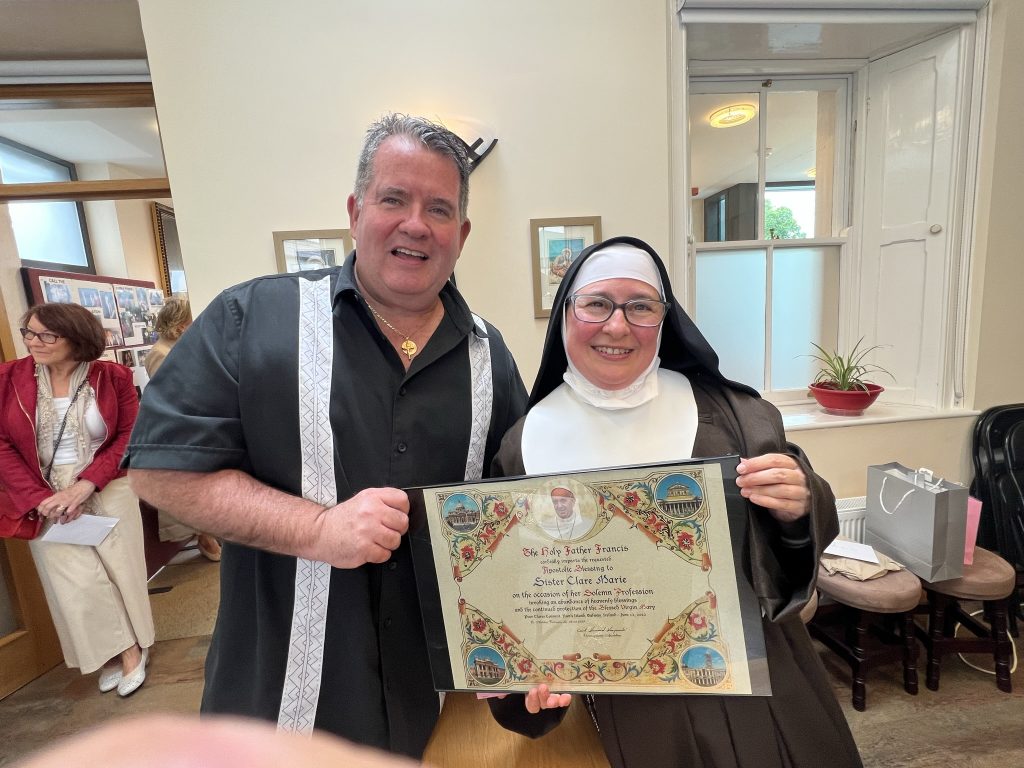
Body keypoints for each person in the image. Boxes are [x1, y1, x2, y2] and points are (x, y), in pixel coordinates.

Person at [124, 113, 528, 758]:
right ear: (356, 210)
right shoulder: (251, 319)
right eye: (393, 199)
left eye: (439, 209)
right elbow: (159, 471)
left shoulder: (490, 354)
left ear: (463, 233)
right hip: (278, 695)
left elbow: (516, 512)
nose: (416, 224)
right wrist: (316, 529)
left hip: (435, 700)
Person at [487, 236, 863, 768]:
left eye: (641, 307)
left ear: (665, 320)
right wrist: (525, 677)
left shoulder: (736, 417)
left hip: (751, 687)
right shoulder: (521, 446)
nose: (618, 326)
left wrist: (798, 506)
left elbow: (793, 547)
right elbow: (514, 595)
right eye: (597, 304)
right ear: (566, 313)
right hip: (617, 705)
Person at [0, 303, 154, 697]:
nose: (34, 342)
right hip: (43, 495)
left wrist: (86, 485)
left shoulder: (113, 376)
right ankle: (117, 650)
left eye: (47, 335)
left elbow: (130, 436)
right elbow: (1, 444)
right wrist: (38, 497)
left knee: (121, 572)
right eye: (29, 332)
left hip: (107, 484)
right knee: (76, 583)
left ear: (76, 338)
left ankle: (134, 649)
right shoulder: (8, 378)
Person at [142, 298, 221, 561]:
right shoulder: (160, 352)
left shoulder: (181, 346)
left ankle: (210, 529)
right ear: (179, 325)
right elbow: (172, 391)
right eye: (190, 321)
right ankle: (202, 534)